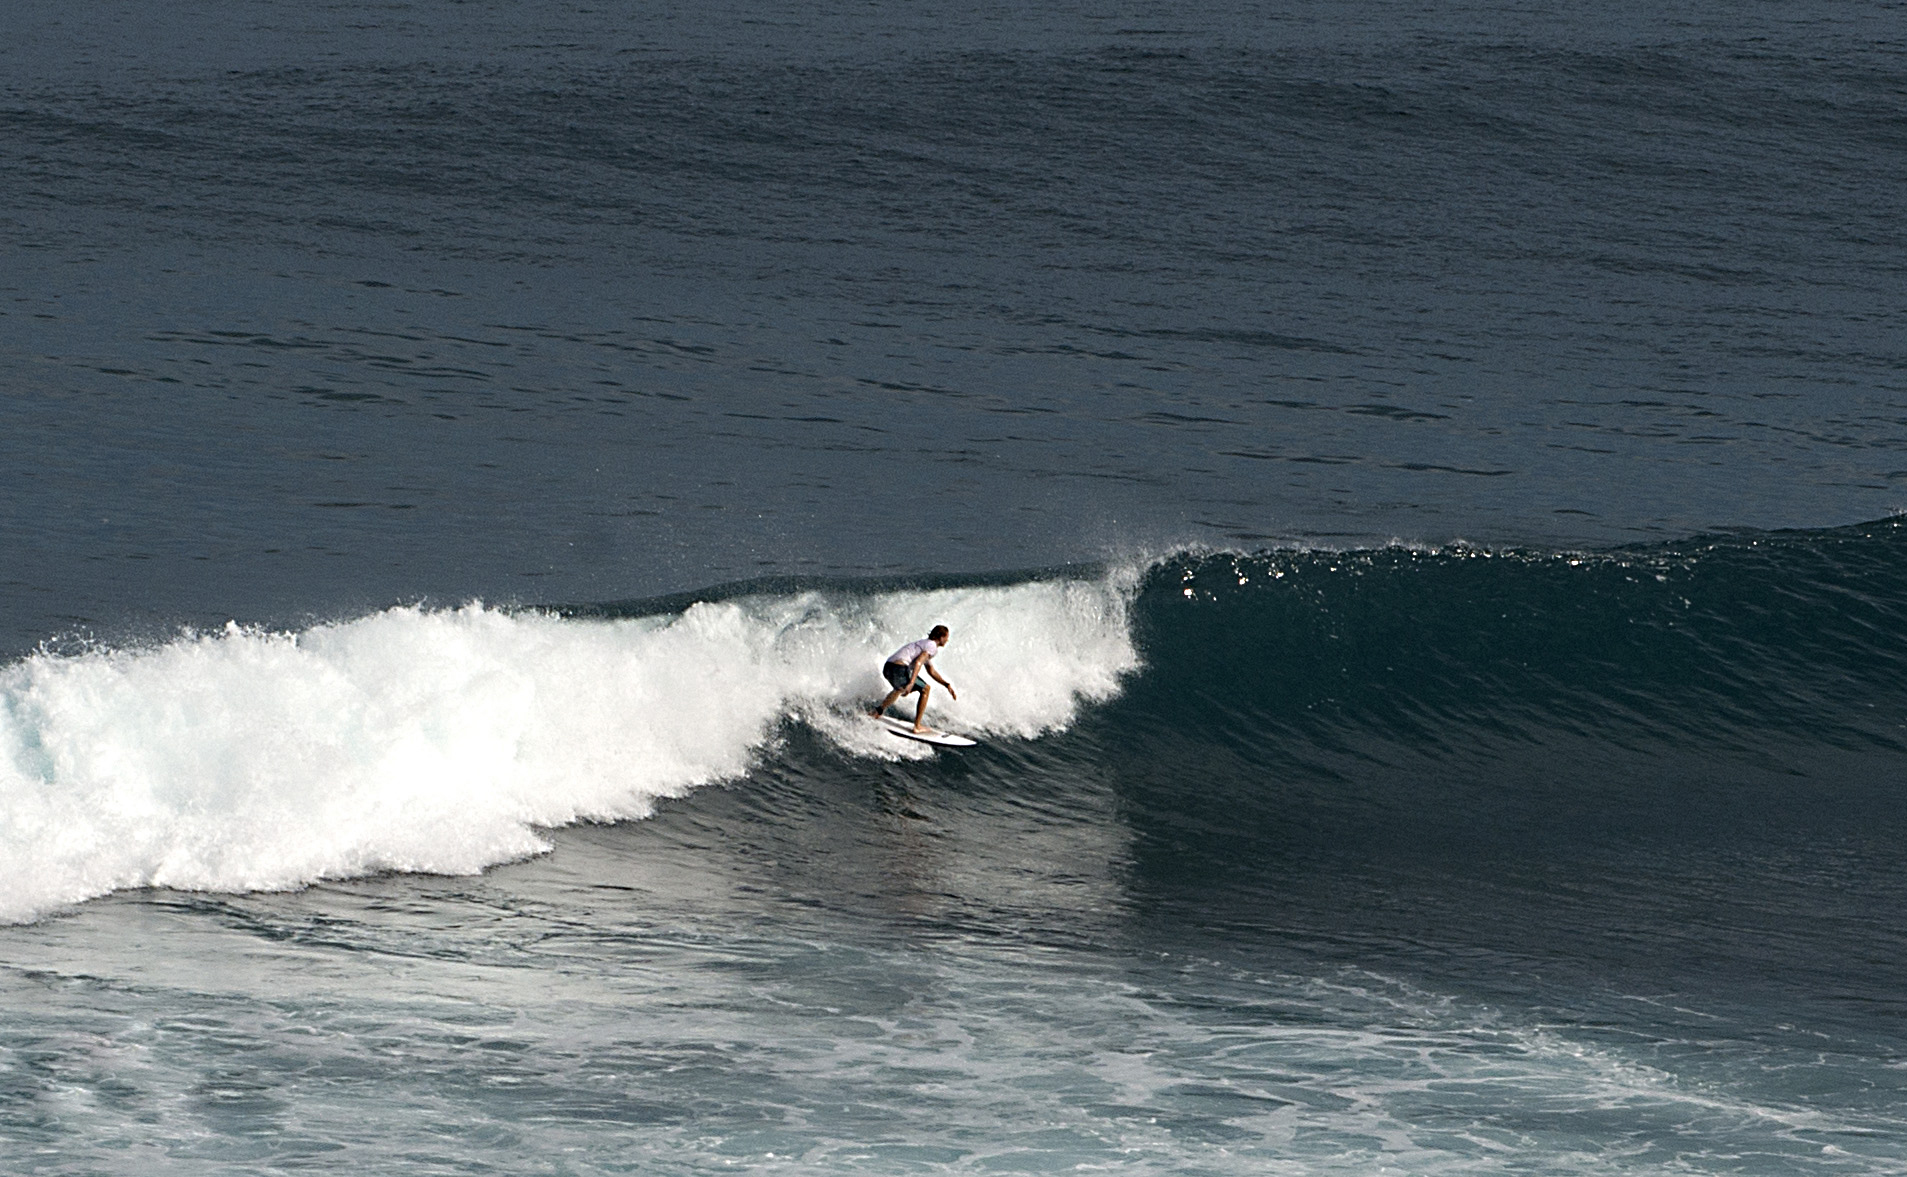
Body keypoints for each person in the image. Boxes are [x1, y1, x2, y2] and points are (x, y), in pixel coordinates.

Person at [871, 624, 958, 732]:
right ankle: (917, 726)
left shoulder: (924, 645)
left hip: (888, 667)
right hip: (899, 668)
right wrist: (912, 682)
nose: (947, 640)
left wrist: (946, 684)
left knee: (900, 689)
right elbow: (918, 662)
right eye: (946, 637)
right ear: (940, 637)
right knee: (925, 689)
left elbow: (931, 671)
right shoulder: (932, 646)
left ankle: (877, 711)